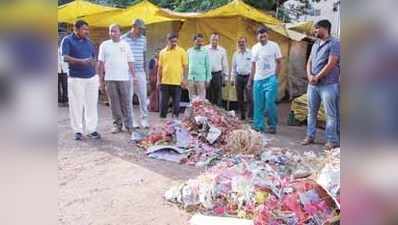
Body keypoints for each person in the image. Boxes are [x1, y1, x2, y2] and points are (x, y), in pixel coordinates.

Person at [301, 20, 340, 150]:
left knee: (331, 114)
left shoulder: (335, 43)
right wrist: (310, 76)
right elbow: (309, 62)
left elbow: (332, 63)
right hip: (313, 85)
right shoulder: (315, 44)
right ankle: (310, 136)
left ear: (325, 28)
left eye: (317, 28)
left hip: (328, 85)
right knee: (311, 112)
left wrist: (317, 77)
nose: (315, 31)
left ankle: (332, 140)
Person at [62, 20, 101, 140]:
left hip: (91, 77)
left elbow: (94, 58)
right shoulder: (67, 40)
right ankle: (77, 131)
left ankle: (91, 129)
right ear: (76, 29)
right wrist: (81, 61)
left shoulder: (88, 42)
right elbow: (65, 57)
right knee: (76, 105)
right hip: (76, 78)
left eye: (87, 29)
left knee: (91, 104)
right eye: (84, 29)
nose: (87, 32)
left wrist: (97, 74)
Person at [97, 24, 135, 134]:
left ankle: (129, 125)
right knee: (114, 103)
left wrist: (134, 76)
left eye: (115, 31)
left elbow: (130, 61)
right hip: (110, 79)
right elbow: (100, 63)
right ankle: (117, 125)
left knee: (126, 103)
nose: (112, 33)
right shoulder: (104, 45)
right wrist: (100, 79)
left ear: (120, 32)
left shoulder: (125, 45)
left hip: (124, 79)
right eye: (111, 31)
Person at [248, 26, 283, 134]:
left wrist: (275, 77)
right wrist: (251, 80)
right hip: (258, 79)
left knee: (269, 103)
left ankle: (272, 125)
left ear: (267, 35)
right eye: (260, 36)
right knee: (258, 104)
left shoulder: (274, 46)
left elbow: (279, 62)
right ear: (257, 37)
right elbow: (253, 65)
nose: (262, 38)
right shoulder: (254, 48)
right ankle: (259, 125)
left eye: (264, 36)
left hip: (270, 78)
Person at [122, 19, 149, 129]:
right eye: (140, 29)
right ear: (133, 27)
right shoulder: (123, 39)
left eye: (143, 29)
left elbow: (144, 56)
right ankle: (131, 120)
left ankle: (144, 119)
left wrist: (145, 72)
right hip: (127, 72)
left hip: (140, 72)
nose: (142, 31)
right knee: (128, 97)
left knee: (143, 96)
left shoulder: (143, 39)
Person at [157, 32, 188, 119]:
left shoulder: (182, 51)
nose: (174, 43)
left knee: (176, 104)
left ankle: (175, 122)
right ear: (168, 41)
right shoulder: (162, 52)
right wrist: (158, 80)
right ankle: (162, 120)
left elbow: (185, 67)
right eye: (172, 41)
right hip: (164, 82)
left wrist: (184, 79)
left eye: (175, 41)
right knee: (163, 104)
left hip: (177, 82)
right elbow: (160, 68)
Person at [231, 36, 253, 120]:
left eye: (243, 42)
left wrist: (252, 78)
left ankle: (250, 116)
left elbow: (253, 66)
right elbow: (233, 67)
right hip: (238, 77)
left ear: (246, 43)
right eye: (239, 42)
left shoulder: (251, 53)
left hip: (248, 77)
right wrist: (233, 79)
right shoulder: (235, 54)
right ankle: (242, 115)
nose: (241, 43)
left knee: (249, 97)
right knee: (239, 97)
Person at [206, 33, 229, 107]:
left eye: (216, 39)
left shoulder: (222, 50)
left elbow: (225, 64)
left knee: (218, 94)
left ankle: (218, 112)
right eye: (213, 39)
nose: (214, 41)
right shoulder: (205, 49)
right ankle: (208, 112)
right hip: (207, 74)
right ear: (210, 39)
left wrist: (225, 77)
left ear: (218, 40)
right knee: (208, 94)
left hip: (218, 74)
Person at [187, 33, 211, 101]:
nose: (200, 43)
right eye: (198, 41)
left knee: (201, 100)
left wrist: (208, 79)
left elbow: (208, 66)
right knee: (192, 99)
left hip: (201, 79)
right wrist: (185, 79)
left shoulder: (205, 52)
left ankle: (200, 112)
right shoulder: (189, 51)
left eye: (201, 41)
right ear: (194, 41)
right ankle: (193, 111)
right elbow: (186, 66)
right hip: (191, 79)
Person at [58, 35, 69, 107]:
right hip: (56, 69)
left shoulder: (64, 47)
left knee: (65, 85)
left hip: (64, 69)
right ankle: (59, 101)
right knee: (56, 87)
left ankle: (65, 100)